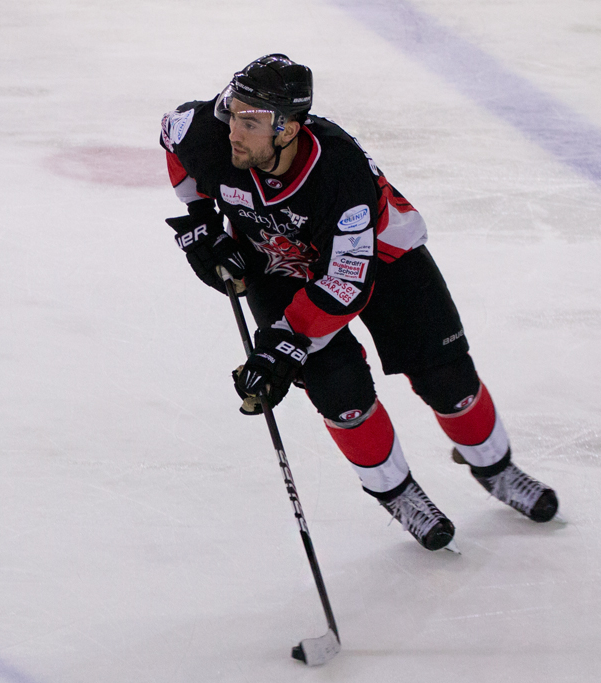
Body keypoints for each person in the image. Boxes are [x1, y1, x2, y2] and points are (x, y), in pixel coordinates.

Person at [159, 54, 557, 551]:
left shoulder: (340, 173)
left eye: (249, 121)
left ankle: (497, 470)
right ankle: (397, 492)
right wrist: (200, 220)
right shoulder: (211, 131)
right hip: (277, 259)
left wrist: (285, 341)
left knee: (446, 377)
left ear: (288, 129)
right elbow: (172, 136)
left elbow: (348, 282)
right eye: (232, 111)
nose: (232, 130)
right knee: (340, 393)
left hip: (380, 258)